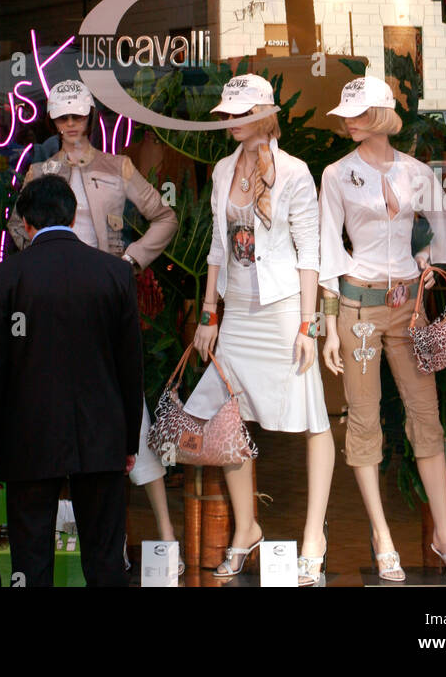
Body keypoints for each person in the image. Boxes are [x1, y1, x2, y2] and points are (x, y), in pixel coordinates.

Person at [7, 79, 180, 552]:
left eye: (76, 116)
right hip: (53, 305)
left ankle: (163, 536)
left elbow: (164, 217)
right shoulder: (41, 172)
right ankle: (104, 543)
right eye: (62, 117)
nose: (70, 125)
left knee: (125, 405)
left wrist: (129, 262)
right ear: (53, 120)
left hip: (102, 296)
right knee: (61, 408)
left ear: (89, 116)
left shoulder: (118, 167)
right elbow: (19, 231)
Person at [318, 75, 446, 582]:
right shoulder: (337, 174)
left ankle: (444, 534)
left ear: (381, 116)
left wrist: (425, 258)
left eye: (359, 113)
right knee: (363, 421)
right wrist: (329, 324)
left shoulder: (415, 172)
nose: (349, 121)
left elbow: (443, 225)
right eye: (347, 114)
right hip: (357, 308)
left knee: (425, 415)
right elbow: (327, 249)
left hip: (409, 308)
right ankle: (382, 534)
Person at [187, 74, 334, 586]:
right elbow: (217, 245)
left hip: (282, 311)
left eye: (238, 113)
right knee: (226, 419)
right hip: (239, 312)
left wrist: (307, 324)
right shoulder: (222, 170)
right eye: (227, 113)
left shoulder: (294, 172)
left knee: (312, 416)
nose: (228, 121)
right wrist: (209, 312)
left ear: (261, 115)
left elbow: (310, 253)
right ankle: (246, 527)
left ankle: (313, 538)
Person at [0, 174, 143, 588]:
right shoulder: (114, 274)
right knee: (105, 559)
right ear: (71, 218)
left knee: (29, 562)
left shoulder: (5, 278)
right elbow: (131, 367)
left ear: (26, 223)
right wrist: (127, 442)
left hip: (27, 439)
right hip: (101, 435)